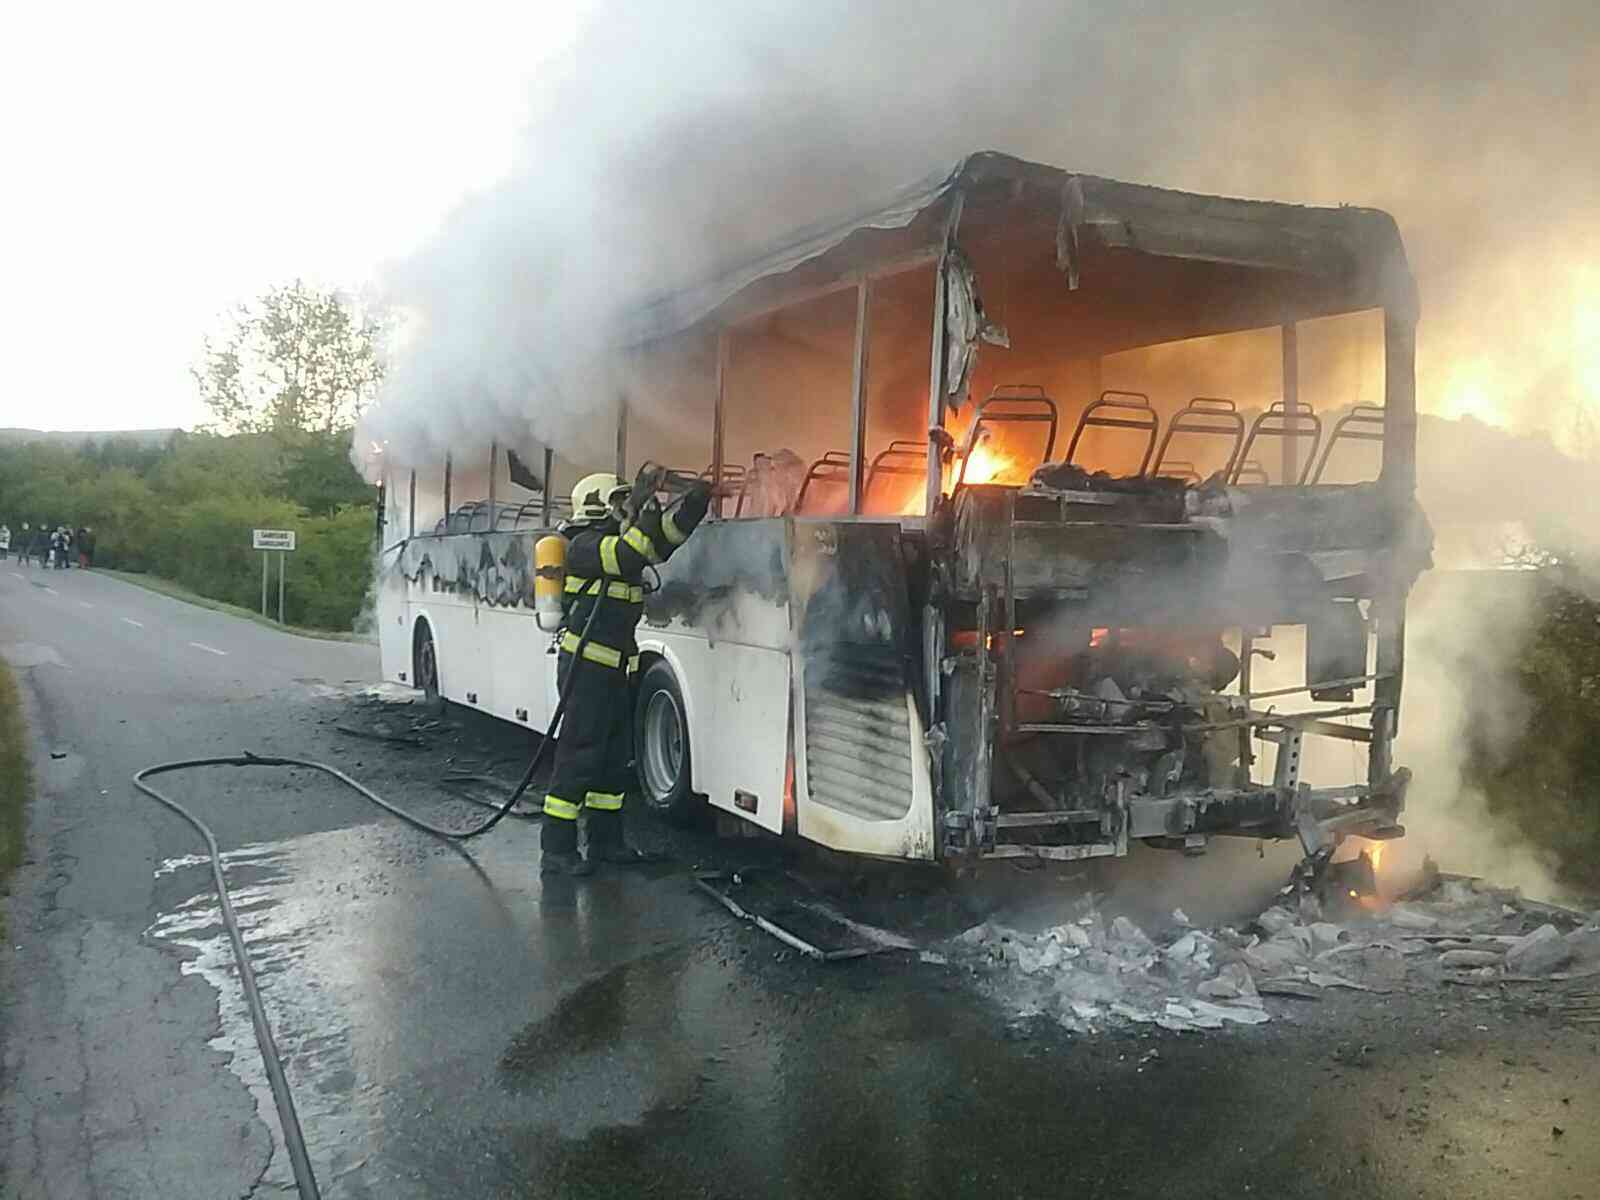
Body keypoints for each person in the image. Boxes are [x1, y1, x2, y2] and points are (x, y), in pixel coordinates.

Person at [540, 471, 712, 876]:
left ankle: (605, 843)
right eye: (617, 501)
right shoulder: (582, 546)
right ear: (598, 506)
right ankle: (557, 851)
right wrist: (645, 505)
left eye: (625, 501)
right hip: (586, 667)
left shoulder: (618, 538)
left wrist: (694, 504)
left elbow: (661, 543)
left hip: (617, 666)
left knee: (613, 759)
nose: (623, 508)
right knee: (580, 756)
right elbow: (628, 556)